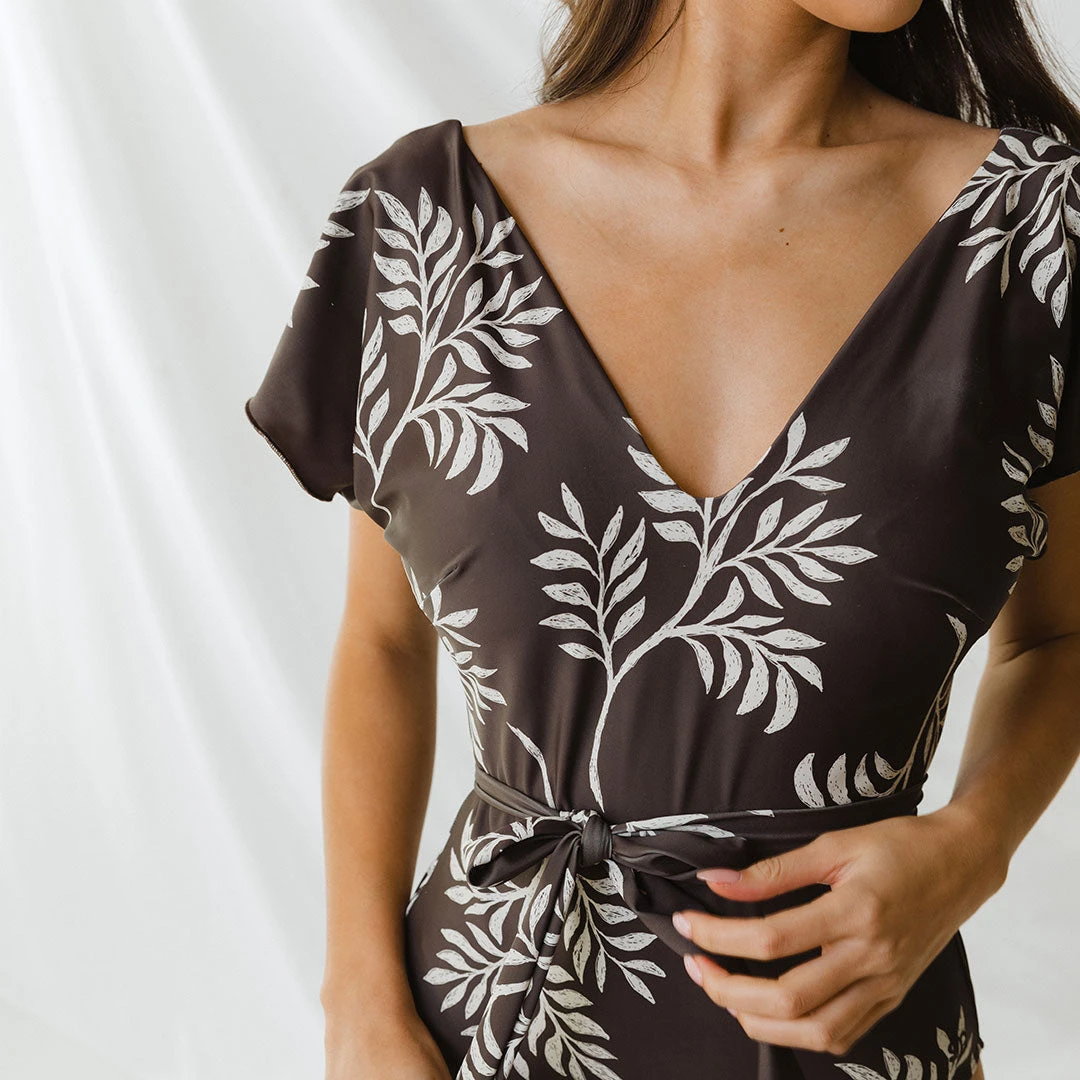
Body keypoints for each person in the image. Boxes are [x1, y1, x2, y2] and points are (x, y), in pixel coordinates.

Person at [244, 1, 1080, 1077]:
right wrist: (359, 1005)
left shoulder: (1033, 236)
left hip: (846, 1031)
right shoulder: (422, 226)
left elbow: (1059, 636)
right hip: (487, 1024)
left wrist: (974, 846)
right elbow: (383, 641)